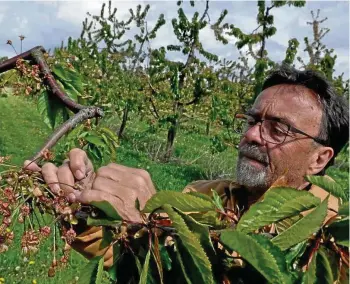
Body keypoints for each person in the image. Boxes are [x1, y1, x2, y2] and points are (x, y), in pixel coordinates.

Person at [25, 65, 349, 268]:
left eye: (278, 129)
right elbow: (133, 258)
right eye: (252, 120)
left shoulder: (333, 243)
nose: (251, 135)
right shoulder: (201, 196)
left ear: (320, 159)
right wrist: (86, 211)